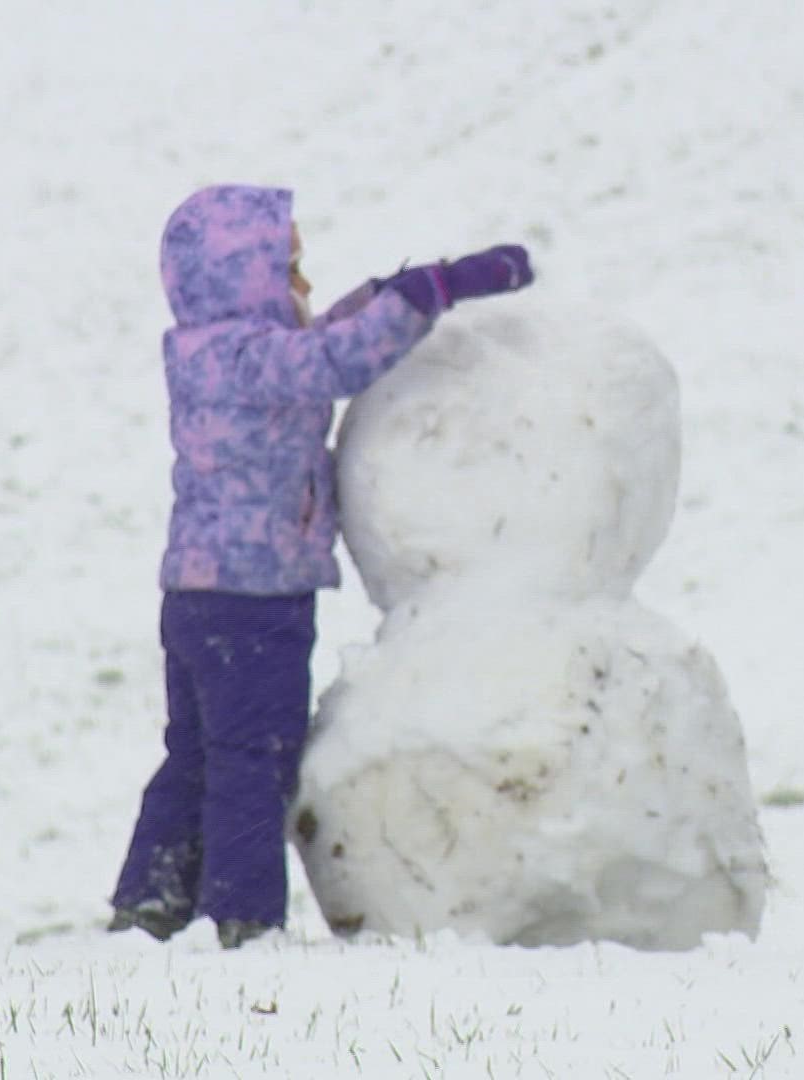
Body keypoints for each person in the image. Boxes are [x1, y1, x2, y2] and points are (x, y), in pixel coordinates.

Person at [108, 184, 533, 949]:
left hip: (199, 598)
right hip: (255, 603)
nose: (303, 286)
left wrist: (388, 289)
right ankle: (243, 921)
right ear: (247, 282)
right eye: (290, 269)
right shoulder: (251, 359)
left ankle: (153, 901)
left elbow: (318, 336)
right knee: (253, 762)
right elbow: (336, 358)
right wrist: (429, 293)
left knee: (196, 756)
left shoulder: (213, 352)